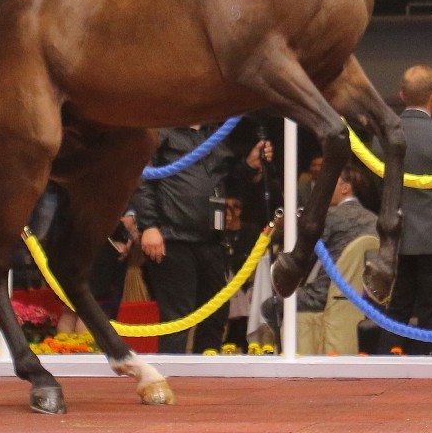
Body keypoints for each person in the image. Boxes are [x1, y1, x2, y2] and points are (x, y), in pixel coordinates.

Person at [133, 124, 271, 354]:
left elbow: (228, 181)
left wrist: (250, 166)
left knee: (217, 312)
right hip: (172, 237)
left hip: (212, 238)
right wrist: (149, 226)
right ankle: (172, 376)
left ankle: (206, 371)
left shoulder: (214, 134)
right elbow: (142, 179)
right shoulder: (161, 131)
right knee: (177, 316)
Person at [379, 64, 432, 356]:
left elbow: (374, 182)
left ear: (402, 95)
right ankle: (426, 366)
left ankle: (389, 361)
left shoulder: (384, 136)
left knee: (397, 306)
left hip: (396, 233)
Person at [261, 165, 377, 337]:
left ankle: (292, 351)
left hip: (326, 293)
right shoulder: (375, 220)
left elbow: (303, 258)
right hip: (365, 296)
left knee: (270, 306)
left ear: (346, 188)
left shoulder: (330, 216)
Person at [221, 195, 261, 348]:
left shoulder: (251, 231)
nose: (230, 213)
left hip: (248, 279)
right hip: (225, 281)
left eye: (234, 207)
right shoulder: (218, 233)